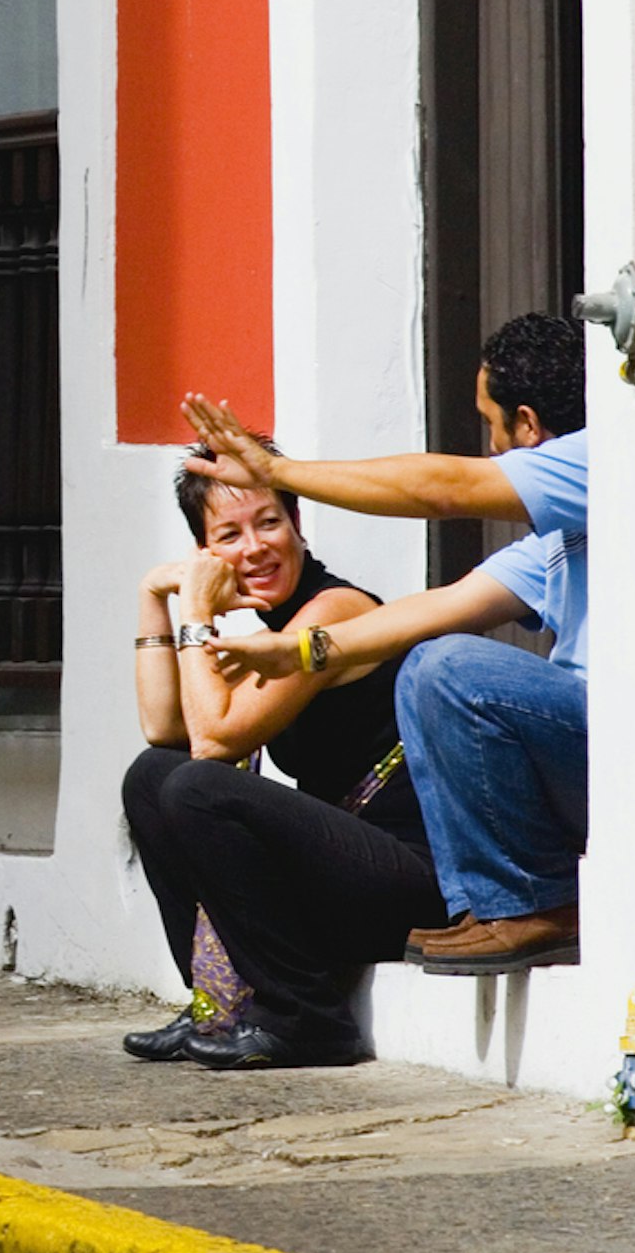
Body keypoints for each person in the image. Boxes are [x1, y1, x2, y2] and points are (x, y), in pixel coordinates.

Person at [181, 310, 594, 975]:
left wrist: (277, 472)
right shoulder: (556, 538)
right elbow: (435, 607)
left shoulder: (594, 459)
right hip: (585, 753)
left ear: (528, 425)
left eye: (492, 425)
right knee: (433, 653)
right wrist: (302, 651)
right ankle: (498, 906)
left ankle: (529, 905)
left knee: (446, 667)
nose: (491, 447)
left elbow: (443, 490)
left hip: (619, 753)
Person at [118, 454, 430, 1068]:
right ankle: (219, 1004)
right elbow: (164, 728)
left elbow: (214, 742)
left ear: (297, 525)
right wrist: (155, 596)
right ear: (204, 554)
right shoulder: (267, 628)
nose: (257, 548)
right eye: (229, 536)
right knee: (152, 777)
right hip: (344, 881)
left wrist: (199, 616)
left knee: (199, 787)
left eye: (269, 523)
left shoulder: (335, 611)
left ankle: (306, 1018)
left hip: (409, 884)